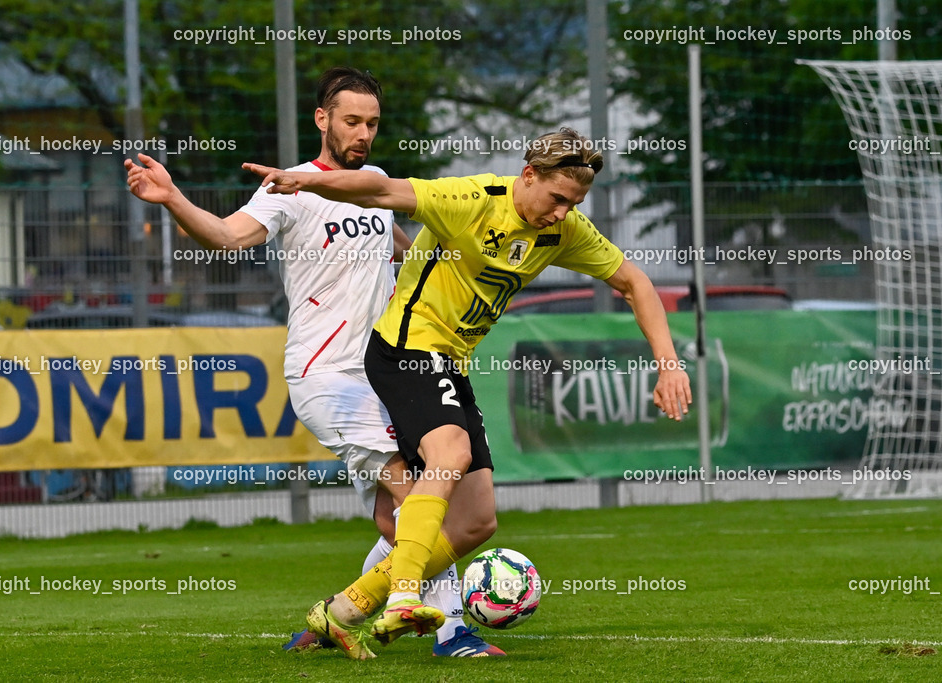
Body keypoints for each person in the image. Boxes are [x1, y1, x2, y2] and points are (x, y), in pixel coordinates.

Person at [245, 126, 693, 657]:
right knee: (449, 453)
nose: (561, 213)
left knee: (477, 522)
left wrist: (669, 365)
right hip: (404, 350)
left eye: (573, 204)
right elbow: (382, 192)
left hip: (448, 363)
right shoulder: (473, 200)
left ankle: (342, 611)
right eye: (556, 199)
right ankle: (407, 599)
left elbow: (634, 282)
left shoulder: (563, 229)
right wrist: (304, 182)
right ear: (529, 175)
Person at [124, 67, 503, 659]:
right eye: (351, 120)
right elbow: (227, 237)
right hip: (327, 378)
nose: (363, 133)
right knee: (414, 500)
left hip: (389, 373)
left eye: (372, 123)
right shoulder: (289, 188)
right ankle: (454, 631)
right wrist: (173, 198)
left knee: (406, 514)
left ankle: (335, 617)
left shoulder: (373, 182)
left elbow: (407, 254)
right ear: (322, 119)